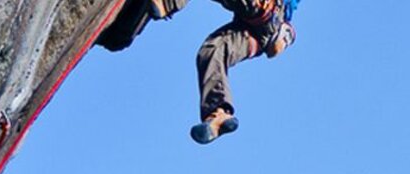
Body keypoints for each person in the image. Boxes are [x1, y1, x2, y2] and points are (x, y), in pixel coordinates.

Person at [95, 0, 299, 145]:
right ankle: (218, 113)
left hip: (265, 11)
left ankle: (165, 3)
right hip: (261, 30)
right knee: (211, 52)